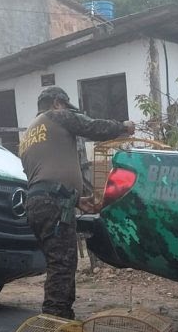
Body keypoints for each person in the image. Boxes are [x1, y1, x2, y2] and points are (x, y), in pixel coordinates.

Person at [19, 87, 135, 319]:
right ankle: (55, 320)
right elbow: (92, 127)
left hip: (37, 202)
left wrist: (76, 200)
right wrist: (123, 126)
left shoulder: (29, 135)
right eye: (65, 106)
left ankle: (61, 316)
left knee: (59, 261)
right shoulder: (55, 116)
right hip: (53, 203)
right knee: (62, 264)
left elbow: (43, 175)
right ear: (57, 103)